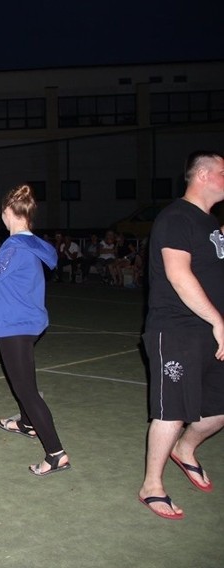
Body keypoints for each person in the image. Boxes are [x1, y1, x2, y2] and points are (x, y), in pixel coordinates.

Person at [137, 151, 224, 521]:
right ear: (203, 175)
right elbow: (178, 274)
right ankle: (151, 486)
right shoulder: (176, 217)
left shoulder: (212, 224)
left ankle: (185, 450)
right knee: (171, 411)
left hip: (212, 331)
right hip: (176, 330)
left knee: (218, 410)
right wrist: (218, 321)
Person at [0, 184, 69, 477]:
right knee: (22, 380)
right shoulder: (32, 244)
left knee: (26, 389)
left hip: (16, 325)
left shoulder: (15, 246)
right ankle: (27, 423)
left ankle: (56, 453)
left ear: (6, 214)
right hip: (26, 322)